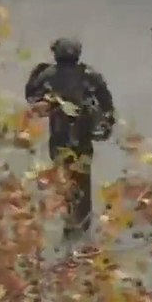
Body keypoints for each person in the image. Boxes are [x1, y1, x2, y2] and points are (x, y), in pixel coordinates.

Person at [26, 38, 115, 239]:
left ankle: (71, 219)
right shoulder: (90, 75)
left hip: (60, 137)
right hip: (83, 137)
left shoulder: (48, 75)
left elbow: (32, 95)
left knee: (64, 178)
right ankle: (82, 220)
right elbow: (106, 103)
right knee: (82, 177)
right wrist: (106, 122)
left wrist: (37, 76)